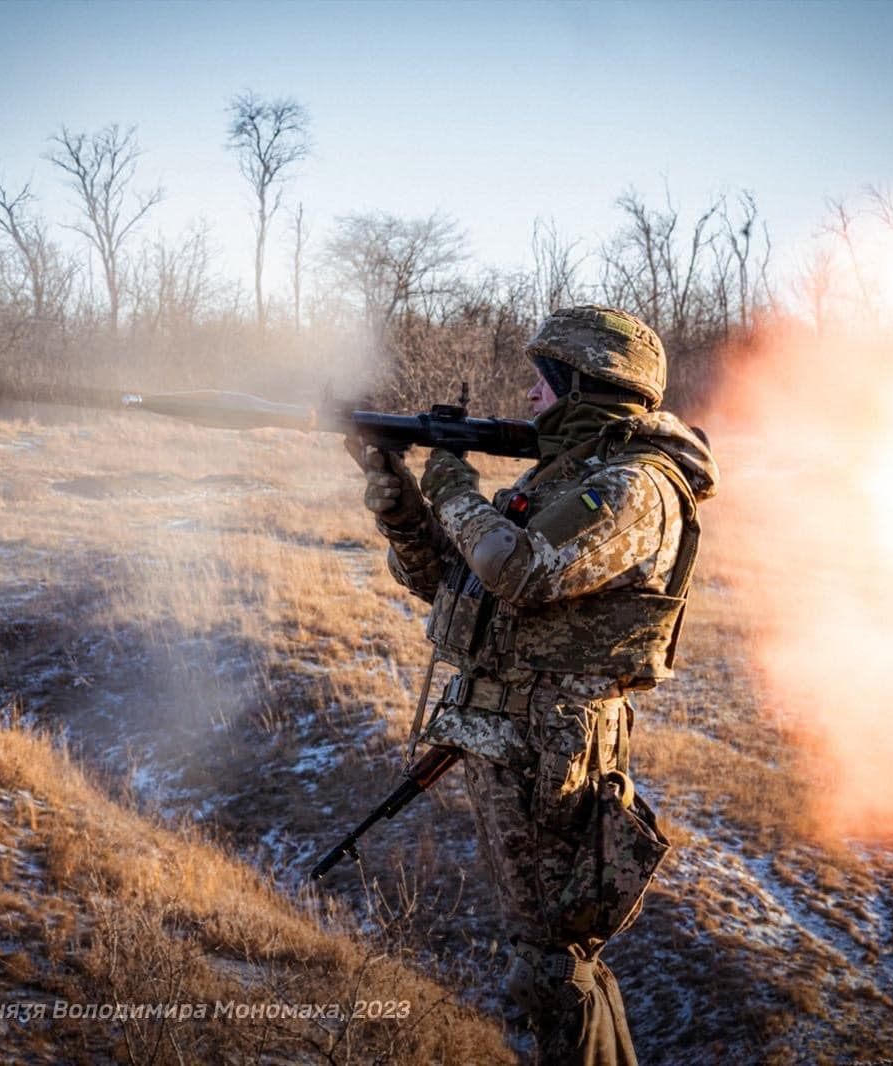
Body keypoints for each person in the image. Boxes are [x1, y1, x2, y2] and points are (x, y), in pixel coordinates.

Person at [351, 305, 718, 1064]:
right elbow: (458, 588)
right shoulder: (564, 477)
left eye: (542, 382)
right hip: (511, 737)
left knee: (553, 964)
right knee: (544, 953)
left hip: (555, 748)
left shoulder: (634, 487)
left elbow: (518, 570)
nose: (526, 397)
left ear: (587, 385)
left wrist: (451, 476)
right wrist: (403, 506)